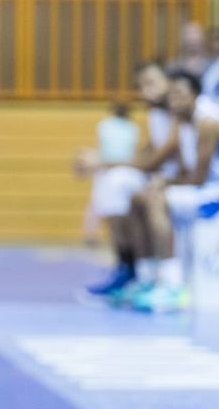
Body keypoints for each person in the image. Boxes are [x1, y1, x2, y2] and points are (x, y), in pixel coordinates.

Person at [125, 70, 219, 313]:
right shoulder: (182, 122)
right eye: (172, 96)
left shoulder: (207, 122)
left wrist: (164, 184)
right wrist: (164, 180)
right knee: (139, 199)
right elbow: (184, 170)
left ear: (195, 95)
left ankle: (173, 285)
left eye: (180, 95)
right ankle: (146, 278)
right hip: (212, 188)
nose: (174, 101)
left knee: (158, 200)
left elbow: (198, 177)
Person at [80, 61, 180, 300]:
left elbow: (155, 160)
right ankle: (128, 267)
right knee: (112, 181)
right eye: (143, 85)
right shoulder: (156, 114)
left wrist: (104, 162)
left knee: (119, 182)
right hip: (161, 176)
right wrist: (105, 163)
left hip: (178, 179)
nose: (148, 90)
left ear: (168, 81)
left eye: (153, 82)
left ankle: (164, 278)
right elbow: (148, 153)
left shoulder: (179, 110)